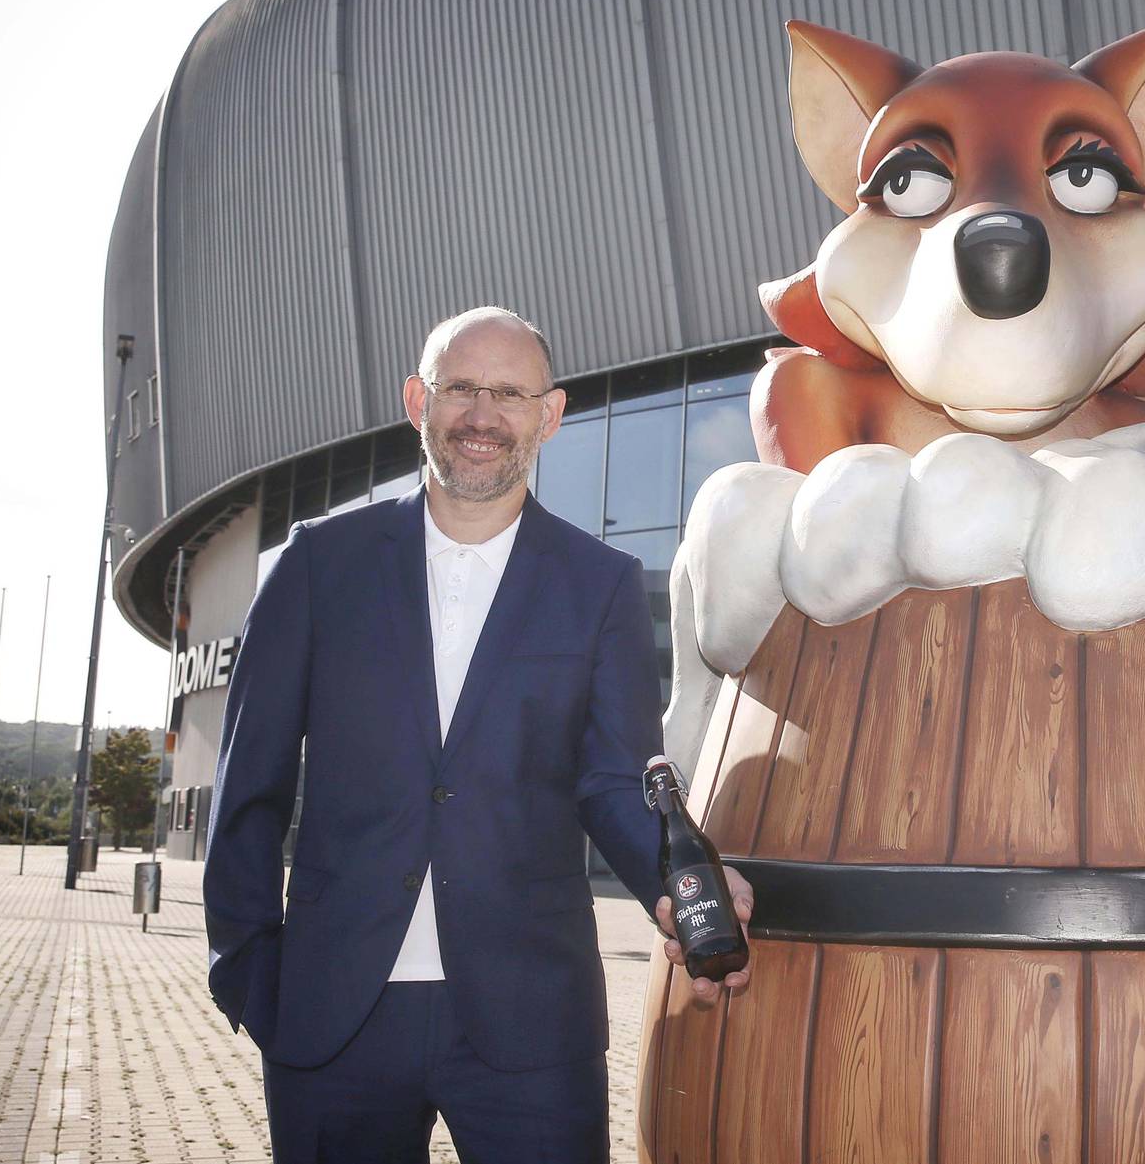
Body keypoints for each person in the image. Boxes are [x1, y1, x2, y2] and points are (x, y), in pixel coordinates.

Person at [203, 307, 753, 1162]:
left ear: (551, 413)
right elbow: (249, 784)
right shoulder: (319, 564)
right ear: (419, 399)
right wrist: (247, 969)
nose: (482, 415)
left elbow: (614, 781)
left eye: (509, 392)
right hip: (332, 1014)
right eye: (461, 387)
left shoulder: (600, 585)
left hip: (531, 1017)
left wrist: (683, 890)